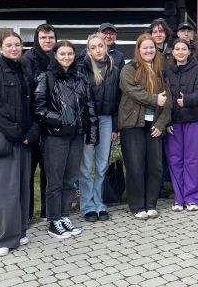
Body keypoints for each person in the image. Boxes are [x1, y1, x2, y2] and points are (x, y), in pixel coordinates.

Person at [0, 29, 39, 257]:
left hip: (25, 140)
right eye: (9, 45)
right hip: (4, 141)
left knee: (23, 188)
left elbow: (32, 104)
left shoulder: (24, 69)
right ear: (0, 48)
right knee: (6, 191)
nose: (14, 48)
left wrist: (31, 132)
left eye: (17, 44)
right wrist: (17, 133)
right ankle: (4, 240)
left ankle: (20, 231)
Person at [33, 41, 98, 239]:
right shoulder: (46, 78)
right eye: (62, 54)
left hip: (76, 136)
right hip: (55, 137)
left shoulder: (81, 78)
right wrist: (62, 121)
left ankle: (64, 216)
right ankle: (54, 221)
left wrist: (91, 133)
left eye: (70, 53)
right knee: (55, 181)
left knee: (70, 179)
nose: (66, 57)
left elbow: (90, 107)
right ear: (55, 55)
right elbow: (39, 108)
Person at [118, 33, 172, 219]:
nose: (149, 50)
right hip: (132, 123)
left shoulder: (160, 70)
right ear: (138, 50)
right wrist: (155, 99)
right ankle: (137, 206)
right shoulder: (129, 69)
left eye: (151, 47)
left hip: (153, 124)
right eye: (145, 48)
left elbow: (168, 100)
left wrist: (161, 123)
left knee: (155, 166)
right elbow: (132, 91)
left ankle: (151, 204)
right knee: (135, 166)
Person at [76, 34, 120, 222]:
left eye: (100, 46)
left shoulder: (114, 70)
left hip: (106, 120)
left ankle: (99, 203)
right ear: (88, 50)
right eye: (93, 47)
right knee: (86, 166)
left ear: (106, 46)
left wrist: (115, 127)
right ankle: (87, 205)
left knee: (102, 165)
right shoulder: (82, 69)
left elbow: (118, 100)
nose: (97, 50)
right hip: (88, 121)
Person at [164, 39, 198, 212]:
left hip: (192, 119)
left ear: (189, 52)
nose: (180, 52)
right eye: (177, 49)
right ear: (173, 52)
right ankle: (179, 198)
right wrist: (166, 121)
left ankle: (193, 198)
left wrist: (187, 100)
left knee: (193, 159)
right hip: (173, 122)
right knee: (175, 160)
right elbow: (164, 96)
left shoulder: (197, 70)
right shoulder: (167, 71)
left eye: (184, 49)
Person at [20, 24, 57, 222]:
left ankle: (47, 211)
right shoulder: (27, 59)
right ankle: (26, 213)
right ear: (37, 39)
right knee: (28, 170)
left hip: (52, 121)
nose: (47, 41)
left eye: (51, 37)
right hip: (32, 122)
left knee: (48, 170)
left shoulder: (57, 57)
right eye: (43, 37)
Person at [148, 17, 174, 198]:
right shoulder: (147, 51)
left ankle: (162, 184)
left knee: (166, 149)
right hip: (152, 104)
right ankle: (154, 186)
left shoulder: (171, 52)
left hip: (170, 103)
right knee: (154, 150)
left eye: (161, 31)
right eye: (155, 31)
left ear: (166, 34)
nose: (158, 34)